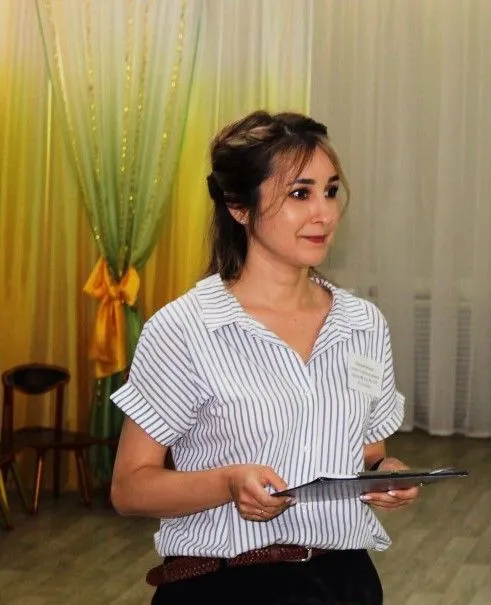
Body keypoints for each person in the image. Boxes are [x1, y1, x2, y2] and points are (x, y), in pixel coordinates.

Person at [109, 110, 417, 605]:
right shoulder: (185, 328)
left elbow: (368, 452)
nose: (324, 213)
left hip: (346, 581)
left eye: (330, 191)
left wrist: (386, 476)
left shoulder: (363, 324)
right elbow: (130, 488)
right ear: (238, 206)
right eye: (299, 194)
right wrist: (228, 483)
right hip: (225, 586)